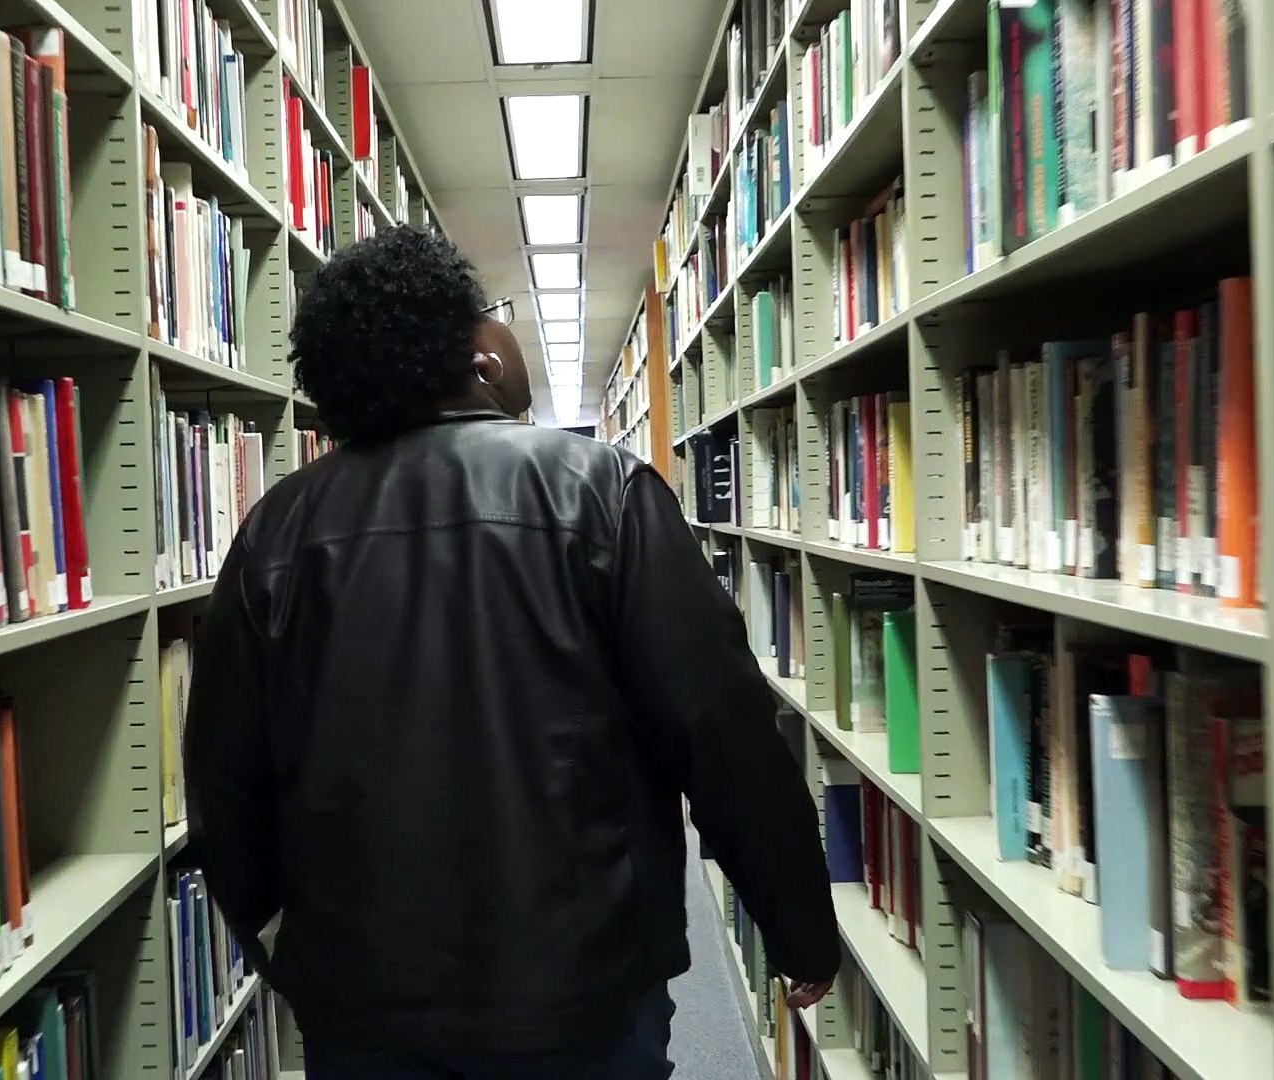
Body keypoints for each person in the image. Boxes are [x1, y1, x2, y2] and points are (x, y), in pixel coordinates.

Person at [181, 225, 838, 1079]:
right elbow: (720, 732)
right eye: (492, 315)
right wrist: (797, 926)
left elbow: (224, 780)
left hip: (364, 1007)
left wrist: (286, 945)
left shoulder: (274, 531)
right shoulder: (602, 491)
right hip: (584, 993)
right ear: (480, 360)